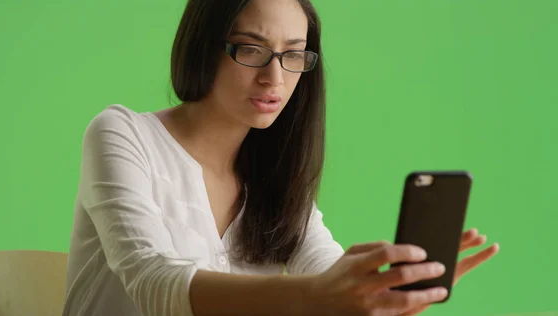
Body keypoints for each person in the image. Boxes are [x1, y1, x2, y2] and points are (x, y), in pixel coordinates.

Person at [62, 0, 499, 315]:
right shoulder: (123, 134)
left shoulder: (273, 176)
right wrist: (321, 295)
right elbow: (152, 283)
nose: (275, 77)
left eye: (293, 54)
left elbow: (328, 275)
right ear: (204, 46)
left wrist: (385, 297)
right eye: (251, 49)